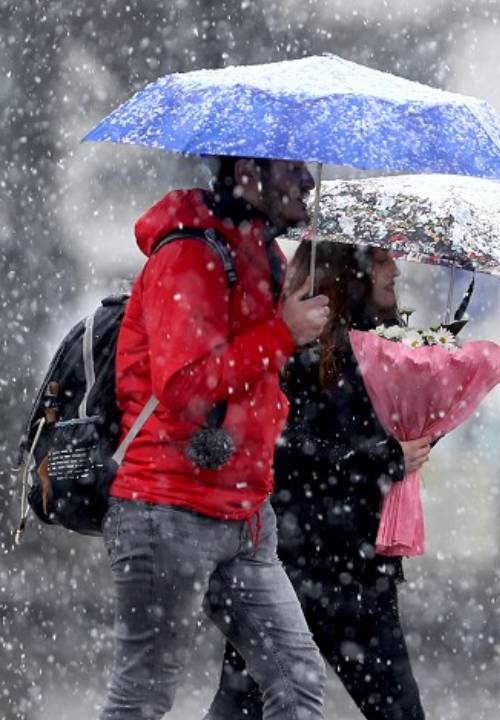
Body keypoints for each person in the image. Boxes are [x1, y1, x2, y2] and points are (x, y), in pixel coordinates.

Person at [104, 156, 331, 720]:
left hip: (246, 514)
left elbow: (260, 376)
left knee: (297, 681)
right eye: (290, 168)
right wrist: (282, 333)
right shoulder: (189, 254)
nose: (307, 180)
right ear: (246, 171)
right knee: (142, 696)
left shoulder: (263, 255)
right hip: (167, 507)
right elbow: (185, 385)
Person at [208, 241, 432, 720]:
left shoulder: (389, 347)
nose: (395, 268)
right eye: (381, 259)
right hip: (292, 568)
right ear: (349, 271)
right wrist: (381, 458)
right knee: (243, 708)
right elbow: (284, 448)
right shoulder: (296, 350)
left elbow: (377, 446)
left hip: (361, 573)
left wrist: (420, 433)